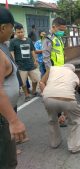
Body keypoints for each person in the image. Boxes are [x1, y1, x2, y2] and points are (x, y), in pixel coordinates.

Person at [39, 64, 80, 154]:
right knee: (76, 120)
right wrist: (65, 115)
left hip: (48, 97)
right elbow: (70, 97)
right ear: (72, 70)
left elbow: (41, 83)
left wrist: (46, 95)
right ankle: (74, 147)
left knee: (52, 119)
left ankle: (55, 143)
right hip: (67, 99)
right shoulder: (75, 77)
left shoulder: (52, 69)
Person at [0, 7, 27, 169]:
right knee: (6, 163)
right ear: (3, 27)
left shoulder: (3, 45)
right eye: (11, 28)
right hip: (1, 120)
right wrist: (14, 120)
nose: (13, 32)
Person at [9, 24, 39, 102]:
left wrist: (35, 60)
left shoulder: (29, 40)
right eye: (18, 32)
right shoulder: (13, 42)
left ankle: (34, 91)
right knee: (23, 82)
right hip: (21, 66)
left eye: (22, 32)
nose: (20, 34)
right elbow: (12, 53)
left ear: (24, 31)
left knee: (35, 80)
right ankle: (26, 95)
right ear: (15, 32)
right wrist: (14, 64)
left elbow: (32, 51)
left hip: (31, 64)